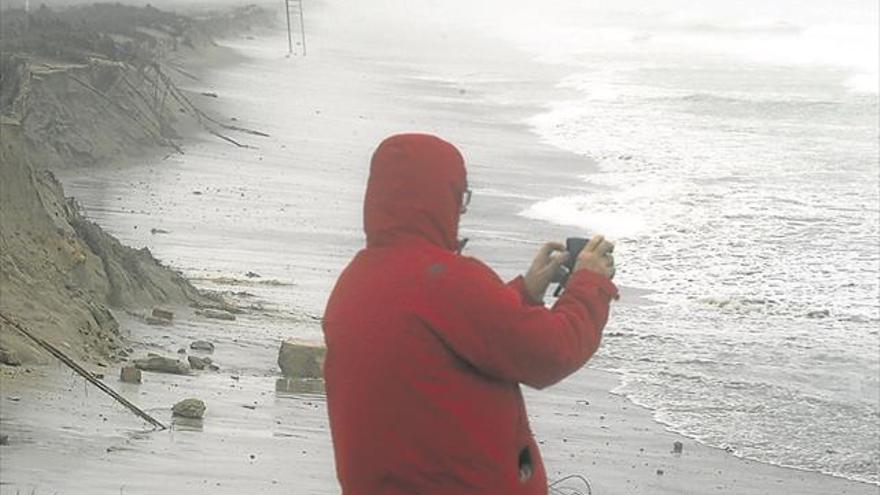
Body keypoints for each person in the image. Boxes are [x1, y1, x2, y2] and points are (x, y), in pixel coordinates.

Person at [322, 133, 618, 494]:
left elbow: (445, 332)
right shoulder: (448, 280)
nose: (461, 209)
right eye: (459, 196)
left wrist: (524, 293)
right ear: (441, 198)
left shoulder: (356, 281)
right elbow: (552, 352)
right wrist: (590, 283)